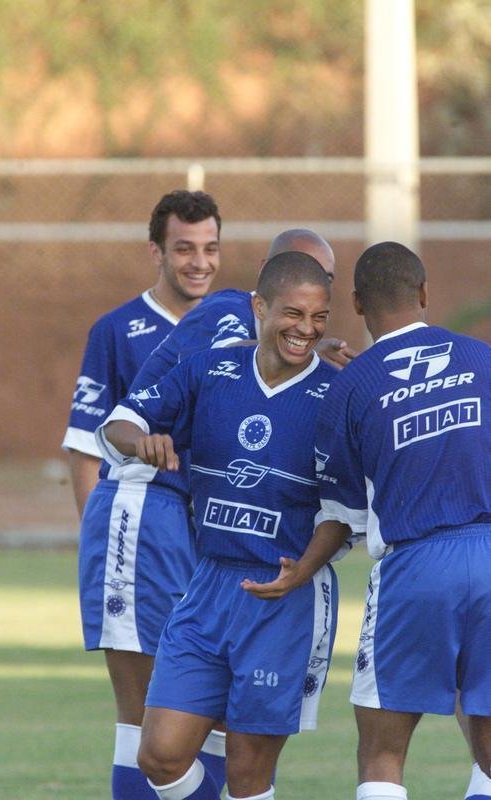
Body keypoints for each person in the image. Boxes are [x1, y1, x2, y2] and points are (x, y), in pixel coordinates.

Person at [242, 242, 491, 800]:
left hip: (415, 566)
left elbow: (341, 514)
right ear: (424, 293)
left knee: (382, 750)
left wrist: (299, 571)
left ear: (355, 304)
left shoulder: (351, 387)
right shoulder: (482, 358)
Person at [97, 252, 342, 800]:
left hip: (282, 595)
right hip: (208, 585)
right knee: (158, 753)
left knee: (248, 771)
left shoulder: (335, 395)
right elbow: (120, 423)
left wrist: (303, 570)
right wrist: (145, 443)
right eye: (293, 314)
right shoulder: (211, 368)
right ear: (259, 307)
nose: (306, 329)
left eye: (319, 317)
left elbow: (347, 512)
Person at [62, 189, 224, 800]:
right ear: (156, 251)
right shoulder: (117, 330)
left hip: (207, 542)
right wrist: (101, 546)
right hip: (141, 528)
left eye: (210, 248)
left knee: (204, 710)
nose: (199, 262)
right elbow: (84, 445)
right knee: (147, 713)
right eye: (184, 248)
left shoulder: (236, 331)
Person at [131, 228, 356, 390]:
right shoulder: (224, 309)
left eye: (324, 278)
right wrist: (310, 354)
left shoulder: (289, 340)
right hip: (141, 449)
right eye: (300, 272)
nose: (312, 285)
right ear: (266, 270)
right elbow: (229, 353)